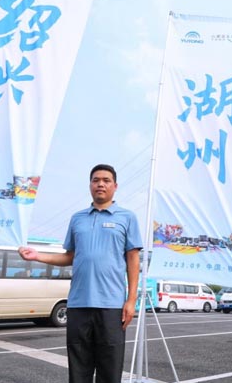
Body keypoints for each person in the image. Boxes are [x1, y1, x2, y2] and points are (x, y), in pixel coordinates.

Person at [19, 164, 142, 383]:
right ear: (90, 185)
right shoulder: (78, 218)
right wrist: (37, 256)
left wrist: (131, 300)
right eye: (96, 180)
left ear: (115, 186)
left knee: (110, 371)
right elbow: (70, 256)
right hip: (78, 304)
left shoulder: (127, 217)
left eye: (106, 180)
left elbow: (133, 258)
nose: (100, 184)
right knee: (78, 371)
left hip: (111, 306)